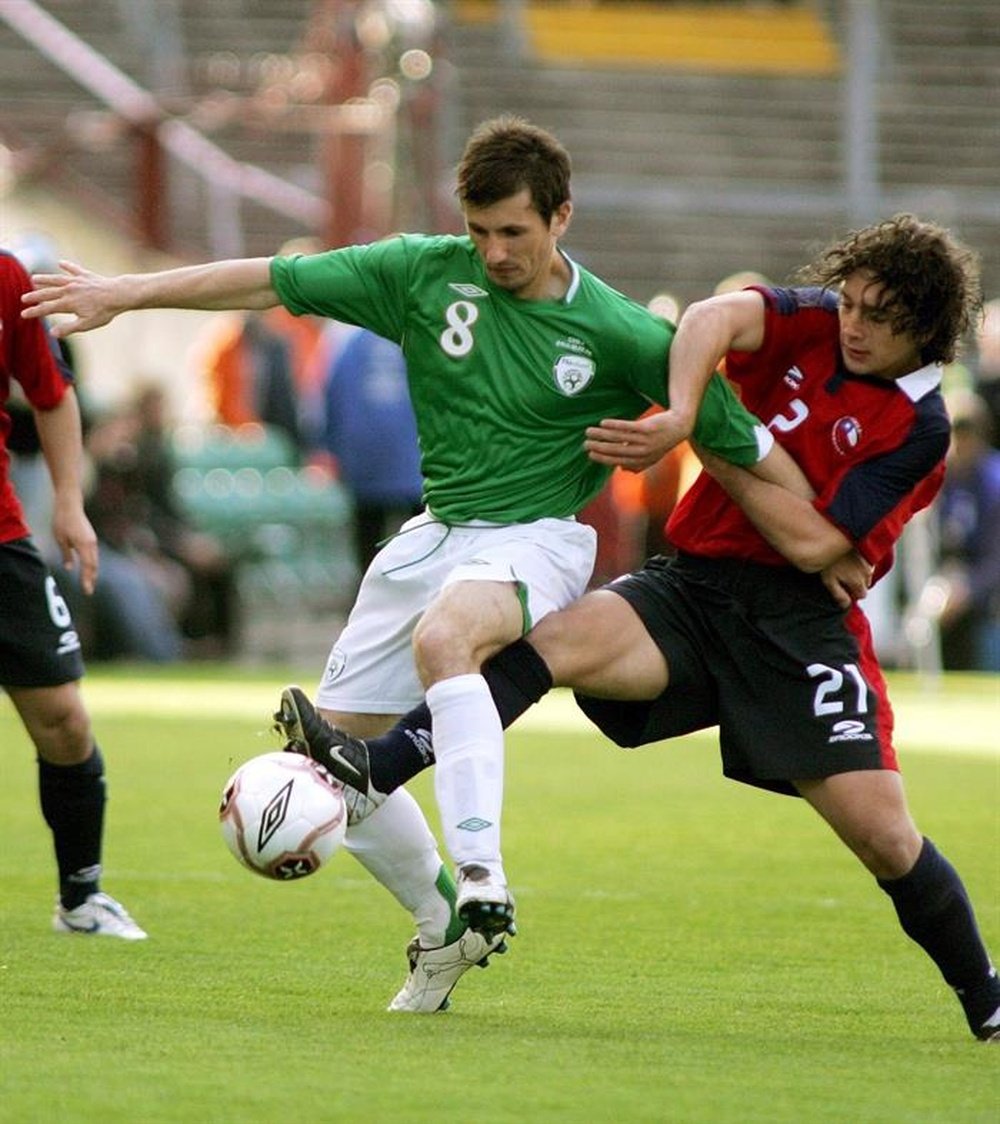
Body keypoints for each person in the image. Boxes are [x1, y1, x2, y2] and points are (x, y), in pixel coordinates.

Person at [23, 115, 805, 1010]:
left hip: (536, 535)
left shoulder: (619, 331)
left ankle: (482, 877)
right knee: (336, 769)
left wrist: (828, 538)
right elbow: (268, 282)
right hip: (434, 536)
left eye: (514, 231)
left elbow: (743, 441)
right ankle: (444, 930)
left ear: (562, 218)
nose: (495, 251)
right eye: (480, 231)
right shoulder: (423, 272)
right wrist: (124, 292)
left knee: (449, 642)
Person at [281, 214, 1000, 1041]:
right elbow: (706, 319)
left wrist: (705, 436)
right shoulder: (815, 318)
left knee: (883, 837)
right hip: (690, 588)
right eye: (852, 303)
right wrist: (690, 405)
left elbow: (813, 546)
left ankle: (985, 996)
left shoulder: (923, 428)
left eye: (882, 316)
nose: (856, 325)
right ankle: (377, 767)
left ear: (929, 331)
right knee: (540, 649)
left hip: (799, 629)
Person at [0, 249, 146, 939]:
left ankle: (81, 899)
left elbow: (52, 394)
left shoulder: (6, 279)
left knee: (63, 718)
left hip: (0, 541)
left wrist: (68, 503)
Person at [318, 327, 423, 574]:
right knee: (422, 550)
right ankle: (420, 607)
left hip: (366, 466)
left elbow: (330, 397)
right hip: (417, 465)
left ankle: (371, 604)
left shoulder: (347, 342)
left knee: (369, 553)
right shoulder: (418, 333)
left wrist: (332, 447)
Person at [931, 388, 1000, 670]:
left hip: (986, 593)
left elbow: (996, 557)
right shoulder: (936, 477)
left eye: (965, 436)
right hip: (944, 583)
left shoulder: (994, 484)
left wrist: (967, 589)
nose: (958, 447)